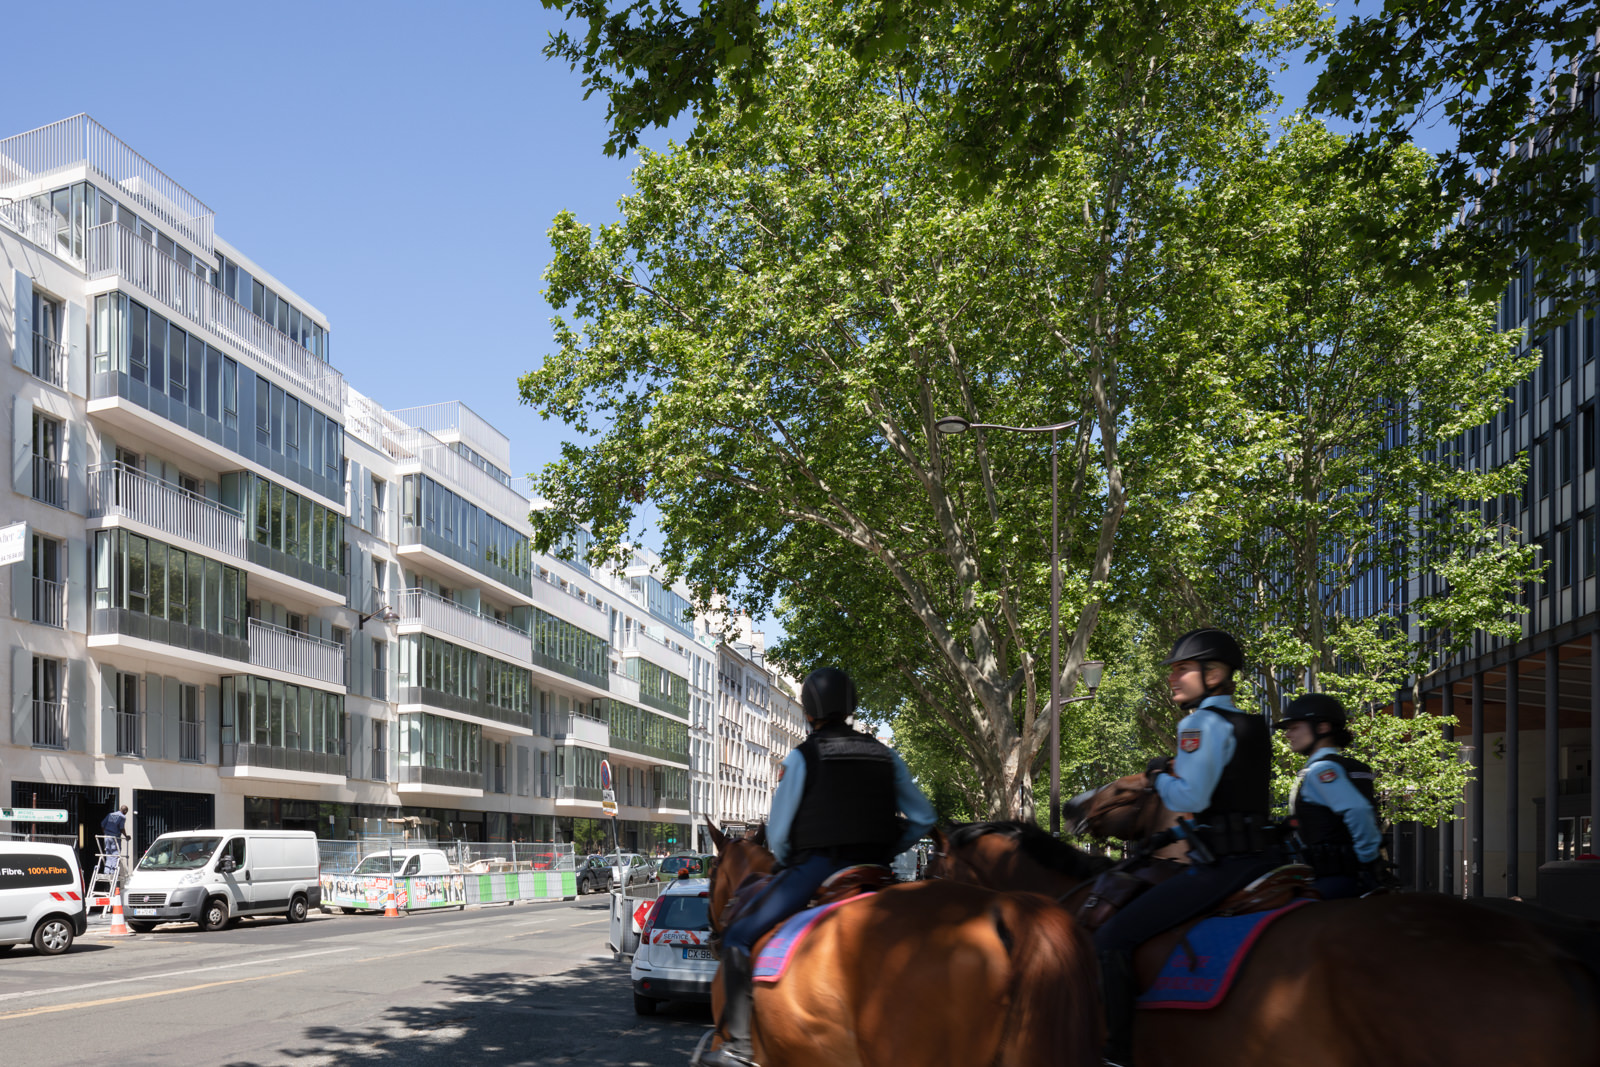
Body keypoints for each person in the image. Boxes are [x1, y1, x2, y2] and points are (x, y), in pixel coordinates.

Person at [701, 667, 937, 1067]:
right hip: (877, 873)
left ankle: (740, 1047)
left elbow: (777, 838)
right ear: (851, 706)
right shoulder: (886, 754)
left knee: (739, 935)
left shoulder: (803, 757)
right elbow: (923, 817)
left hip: (819, 867)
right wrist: (888, 847)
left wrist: (794, 858)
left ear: (809, 711)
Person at [1093, 628, 1280, 1066]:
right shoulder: (1252, 724)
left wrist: (1159, 776)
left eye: (1183, 669)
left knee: (1111, 939)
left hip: (1224, 867)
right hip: (1266, 859)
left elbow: (1190, 799)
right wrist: (1168, 836)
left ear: (1213, 674)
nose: (1173, 678)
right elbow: (1230, 803)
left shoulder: (1199, 724)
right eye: (1172, 670)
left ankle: (1116, 1055)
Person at [1276, 693, 1383, 899]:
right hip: (1334, 875)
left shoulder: (1322, 769)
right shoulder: (1322, 768)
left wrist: (1368, 861)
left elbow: (1358, 810)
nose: (1288, 734)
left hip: (1335, 879)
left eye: (1295, 727)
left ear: (1322, 727)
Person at [100, 804, 129, 879]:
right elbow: (121, 828)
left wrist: (106, 833)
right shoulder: (122, 817)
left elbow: (102, 824)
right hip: (115, 837)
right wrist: (126, 836)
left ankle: (106, 871)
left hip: (107, 837)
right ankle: (113, 872)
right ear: (125, 811)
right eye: (126, 812)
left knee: (108, 853)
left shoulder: (110, 815)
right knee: (115, 853)